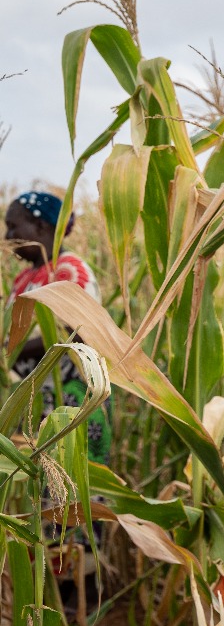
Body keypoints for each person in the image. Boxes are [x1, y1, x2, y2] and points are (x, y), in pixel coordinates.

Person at [5, 191, 109, 462]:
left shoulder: (69, 270)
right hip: (34, 402)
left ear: (40, 227)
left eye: (14, 226)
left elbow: (76, 332)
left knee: (70, 491)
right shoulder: (24, 277)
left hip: (68, 402)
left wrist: (11, 353)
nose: (7, 237)